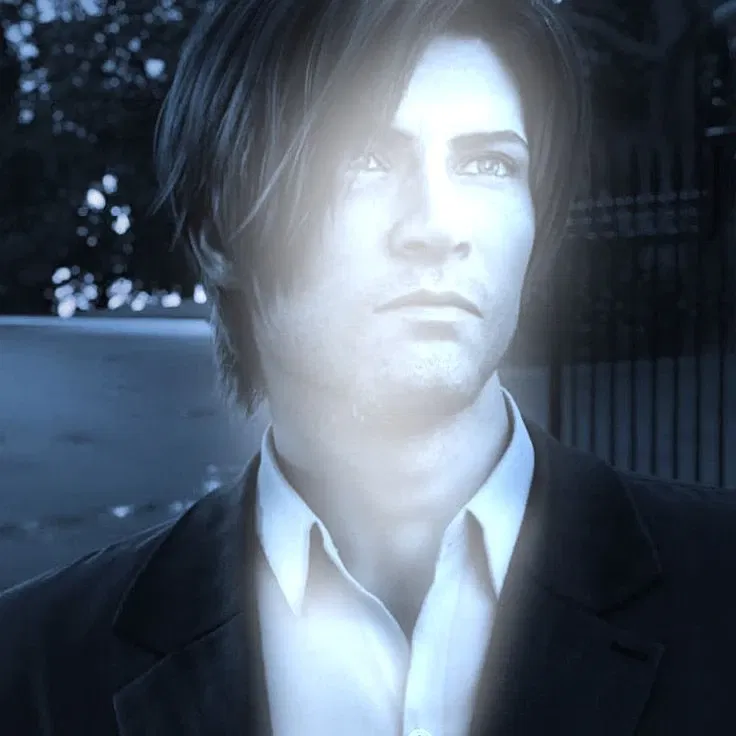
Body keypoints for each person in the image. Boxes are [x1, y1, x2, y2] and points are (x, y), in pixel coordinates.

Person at [2, 0, 736, 733]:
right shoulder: (35, 665)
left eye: (489, 164)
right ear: (220, 235)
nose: (438, 228)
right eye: (364, 159)